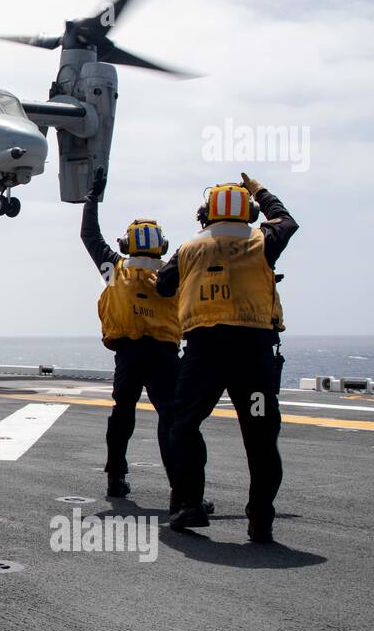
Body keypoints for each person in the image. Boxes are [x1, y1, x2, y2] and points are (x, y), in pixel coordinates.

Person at [157, 173, 298, 543]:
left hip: (206, 354)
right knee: (261, 437)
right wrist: (261, 191)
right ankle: (261, 520)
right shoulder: (262, 239)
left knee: (184, 425)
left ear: (206, 215)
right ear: (249, 213)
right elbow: (288, 221)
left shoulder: (189, 248)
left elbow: (163, 286)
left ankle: (190, 504)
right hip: (253, 356)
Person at [81, 168, 182, 498]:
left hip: (129, 355)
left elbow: (89, 235)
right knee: (171, 417)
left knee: (122, 414)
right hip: (165, 357)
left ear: (127, 244)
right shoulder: (173, 272)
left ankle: (115, 477)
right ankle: (181, 488)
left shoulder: (115, 269)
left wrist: (92, 197)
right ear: (161, 245)